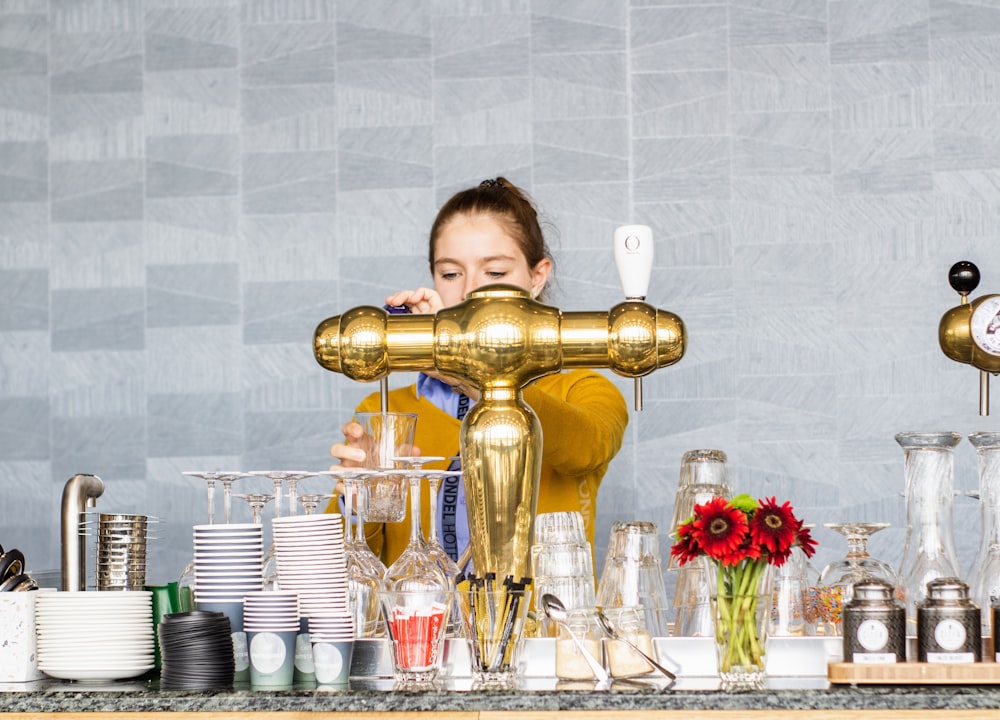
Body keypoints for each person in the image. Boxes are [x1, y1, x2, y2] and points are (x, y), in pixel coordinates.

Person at [328, 177, 629, 568]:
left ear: (537, 277)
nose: (470, 292)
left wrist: (463, 369)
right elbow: (339, 565)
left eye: (495, 272)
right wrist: (360, 500)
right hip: (426, 626)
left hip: (545, 627)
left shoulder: (583, 389)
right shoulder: (387, 409)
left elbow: (583, 449)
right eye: (451, 274)